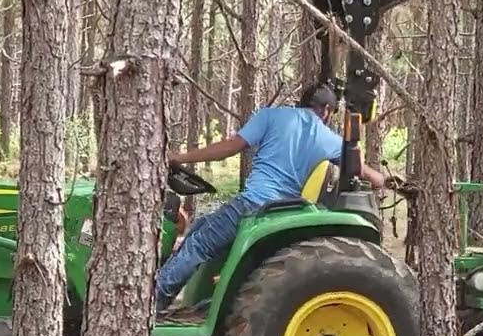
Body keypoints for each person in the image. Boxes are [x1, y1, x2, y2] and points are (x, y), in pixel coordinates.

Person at [155, 83, 386, 311]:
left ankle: (154, 301)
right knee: (201, 226)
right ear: (326, 110)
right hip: (282, 213)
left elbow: (229, 147)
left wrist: (181, 158)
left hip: (253, 204)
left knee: (199, 245)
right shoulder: (332, 141)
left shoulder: (271, 116)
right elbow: (368, 175)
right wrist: (389, 181)